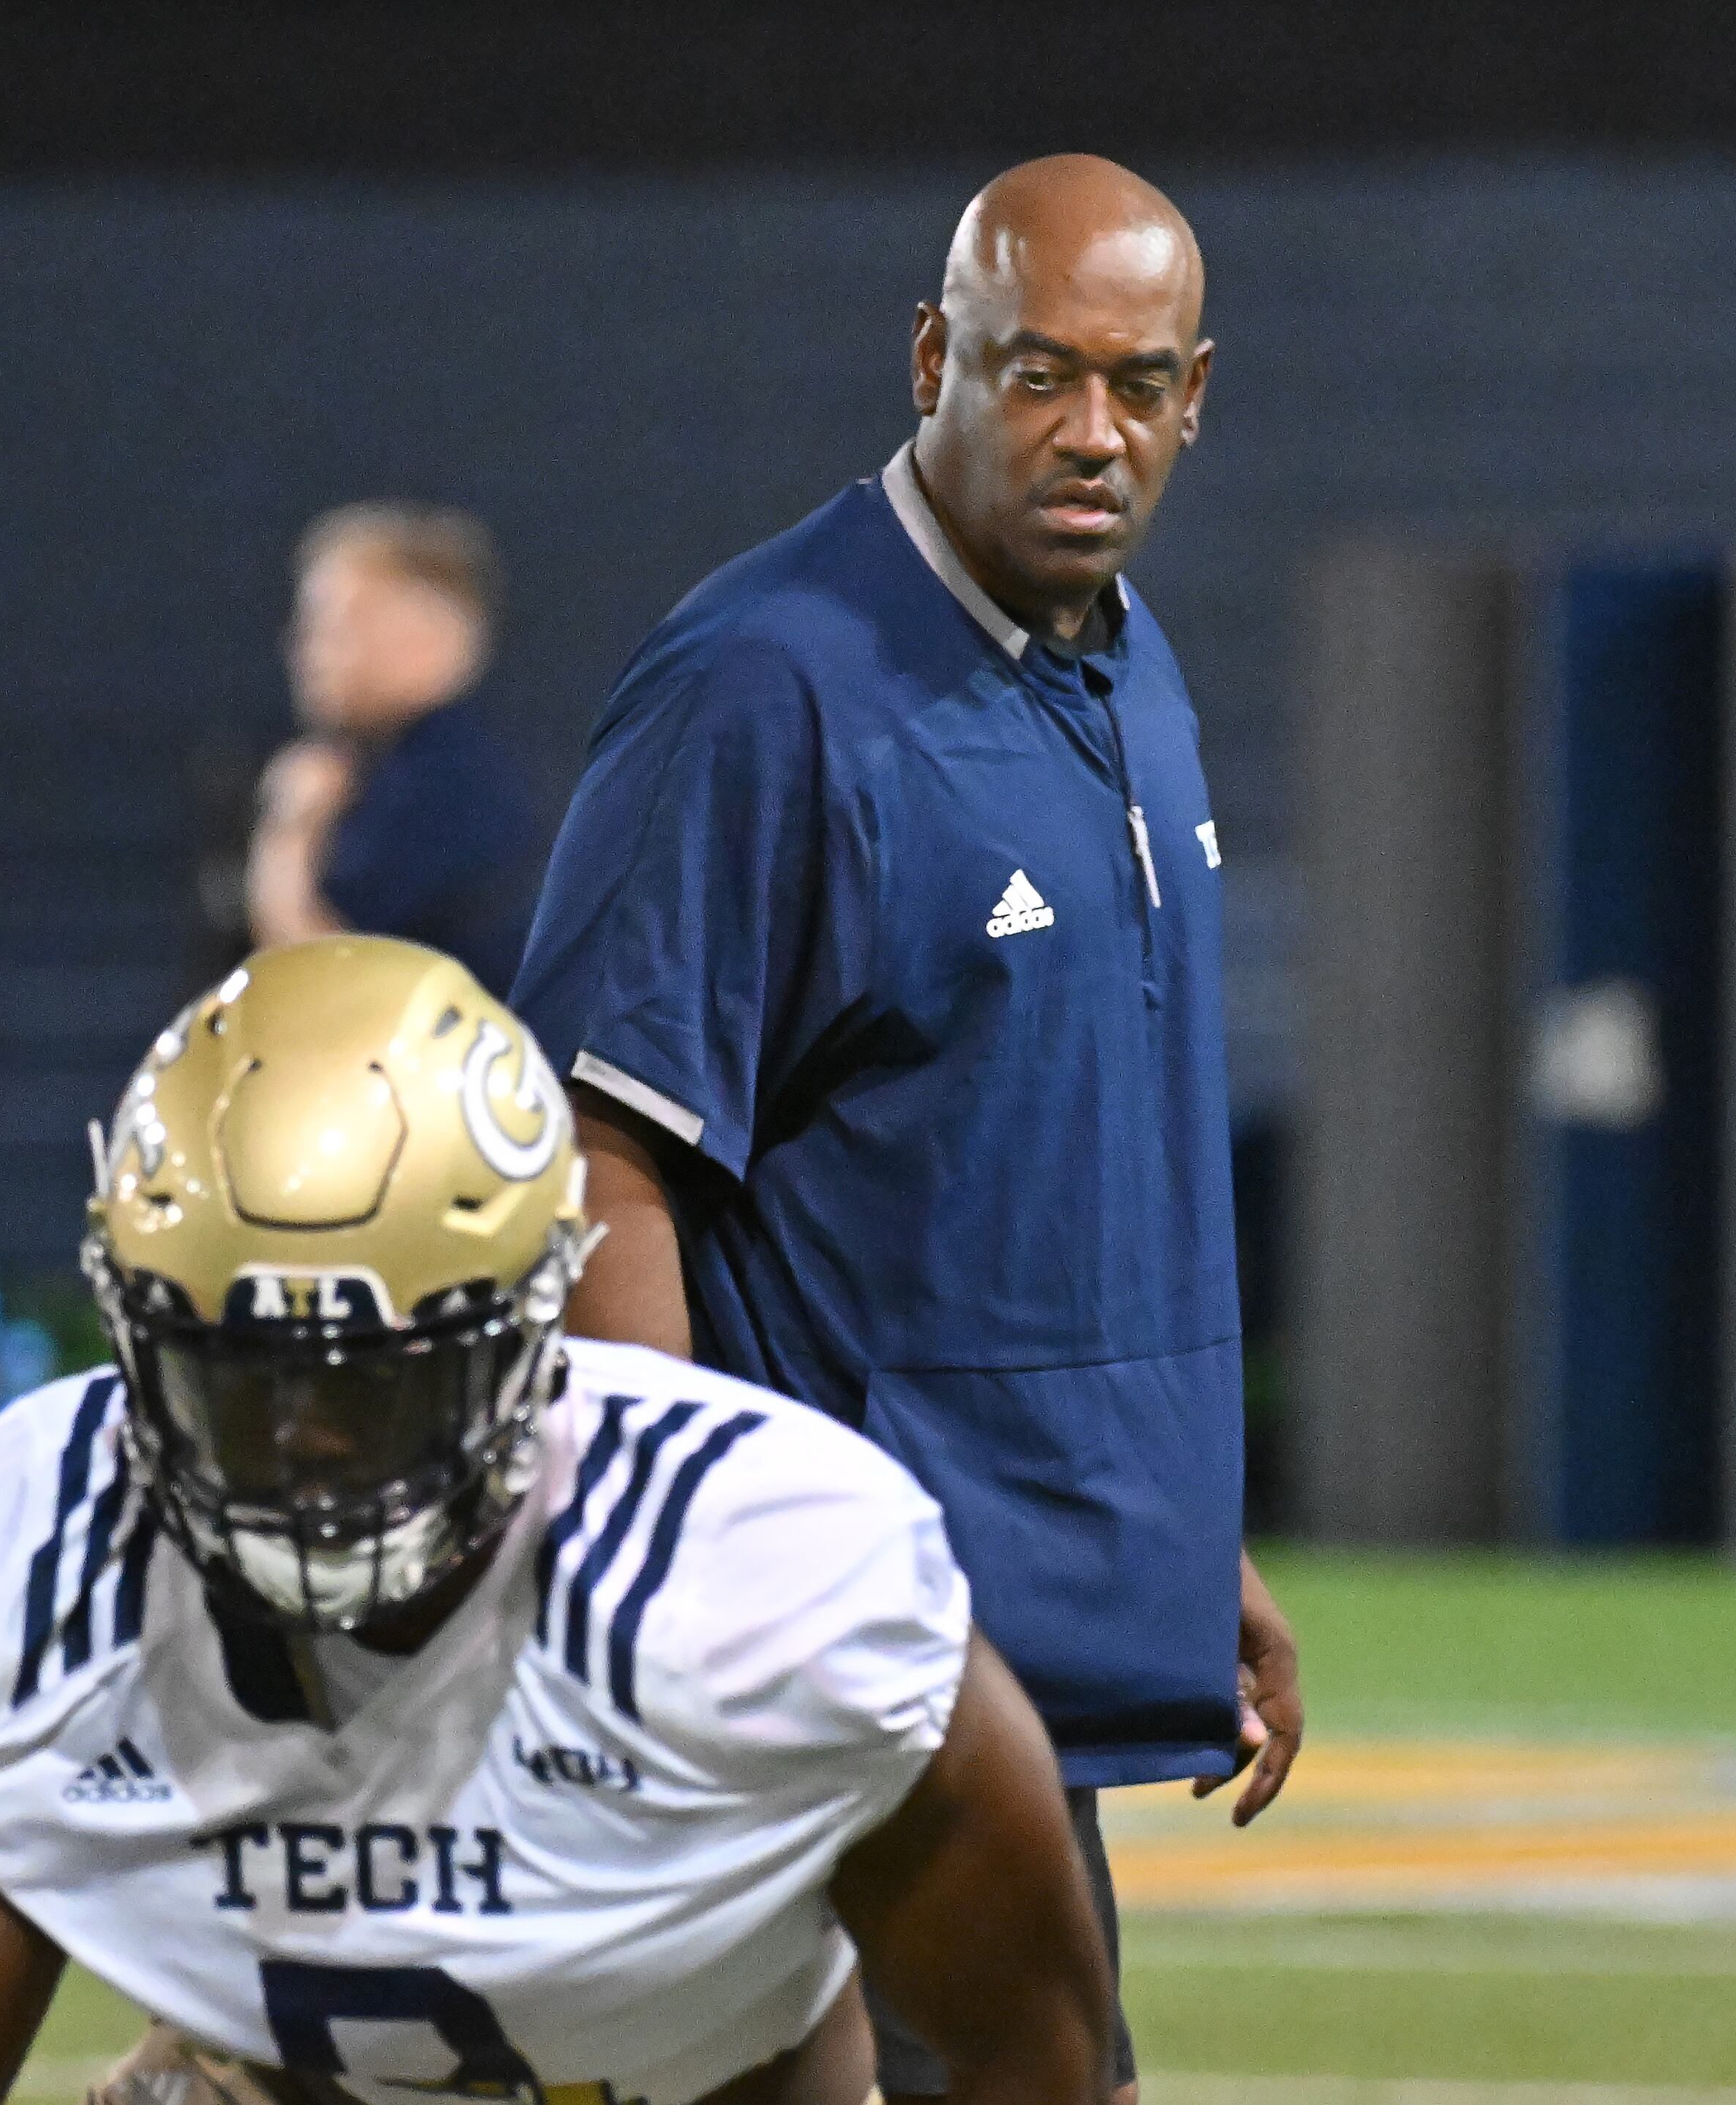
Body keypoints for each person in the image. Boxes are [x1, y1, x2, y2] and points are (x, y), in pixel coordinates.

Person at [507, 157, 1305, 2104]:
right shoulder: (765, 683)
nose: (1090, 434)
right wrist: (666, 1591)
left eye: (1136, 385)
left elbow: (1053, 1154)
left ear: (1200, 392)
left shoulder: (1128, 659)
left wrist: (1195, 1535)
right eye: (1038, 377)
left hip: (1029, 1652)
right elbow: (602, 1155)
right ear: (937, 357)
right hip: (839, 1680)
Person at [0, 937, 1116, 2105]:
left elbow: (1040, 2062)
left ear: (531, 1334)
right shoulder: (55, 1571)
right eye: (240, 1378)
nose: (303, 1452)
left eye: (371, 1385)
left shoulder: (761, 1586)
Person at [244, 503, 542, 992]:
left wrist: (293, 828)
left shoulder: (448, 782)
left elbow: (320, 979)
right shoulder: (398, 764)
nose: (308, 651)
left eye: (337, 627)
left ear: (430, 638)